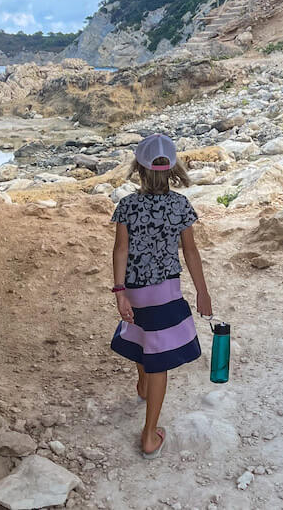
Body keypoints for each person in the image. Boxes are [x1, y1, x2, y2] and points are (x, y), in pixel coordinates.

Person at [111, 133, 212, 459]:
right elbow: (191, 252)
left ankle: (142, 388)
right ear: (171, 169)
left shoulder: (127, 205)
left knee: (143, 339)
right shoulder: (180, 205)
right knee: (159, 361)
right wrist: (202, 291)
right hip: (165, 293)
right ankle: (149, 435)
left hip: (135, 292)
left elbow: (120, 250)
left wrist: (120, 292)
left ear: (138, 169)